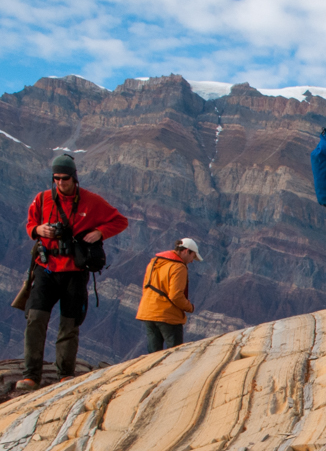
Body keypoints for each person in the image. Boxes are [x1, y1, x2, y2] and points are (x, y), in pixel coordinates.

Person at [16, 154, 128, 390]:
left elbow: (120, 221)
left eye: (64, 178)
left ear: (74, 177)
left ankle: (65, 373)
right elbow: (29, 224)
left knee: (69, 323)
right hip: (46, 268)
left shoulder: (91, 201)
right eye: (55, 178)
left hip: (75, 272)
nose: (60, 183)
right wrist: (38, 230)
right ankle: (30, 375)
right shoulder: (42, 199)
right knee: (35, 319)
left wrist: (100, 232)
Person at [136, 238, 203, 351]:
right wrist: (189, 307)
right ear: (186, 251)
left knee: (153, 354)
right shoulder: (178, 267)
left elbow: (146, 286)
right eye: (193, 256)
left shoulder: (155, 262)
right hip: (167, 315)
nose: (192, 261)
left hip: (148, 312)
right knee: (175, 354)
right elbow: (175, 296)